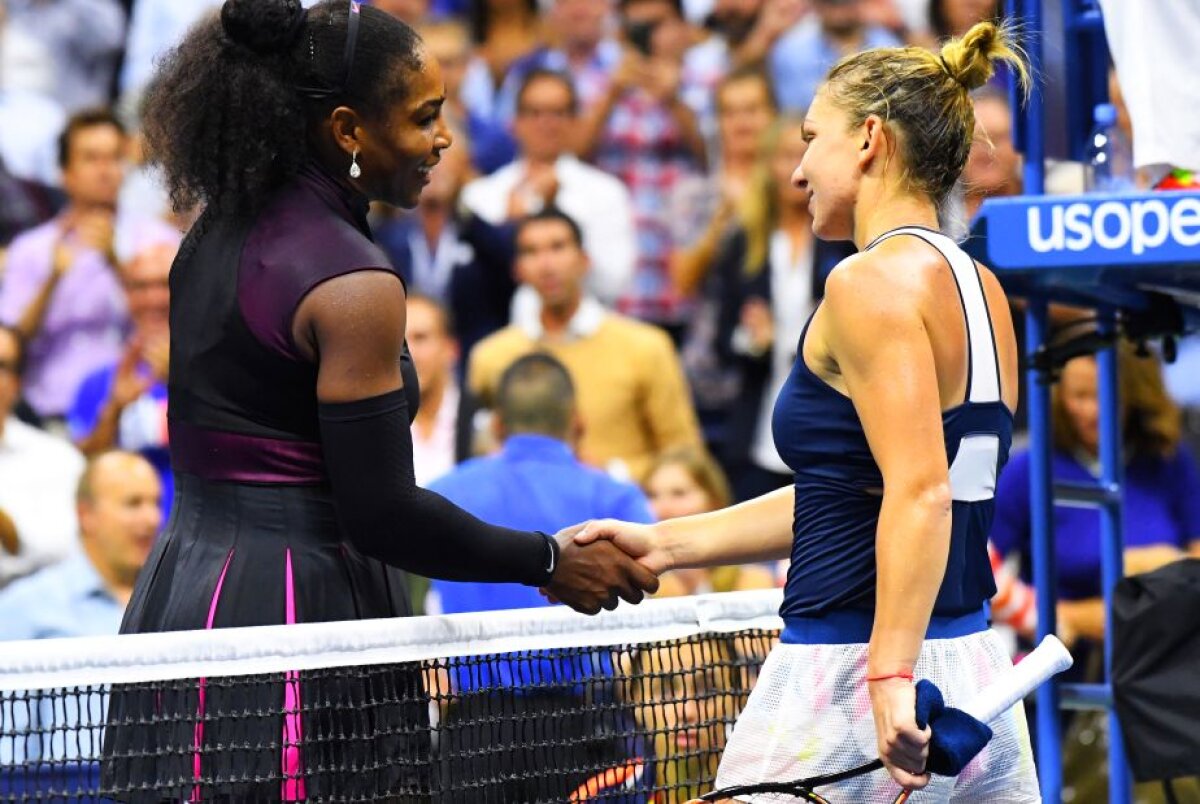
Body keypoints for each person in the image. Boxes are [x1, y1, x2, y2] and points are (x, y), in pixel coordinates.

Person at [100, 3, 657, 799]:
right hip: (307, 616)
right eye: (425, 117)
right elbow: (381, 513)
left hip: (183, 596)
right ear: (348, 129)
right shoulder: (353, 283)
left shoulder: (209, 234)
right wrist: (547, 561)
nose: (444, 139)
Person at [576, 21, 1041, 800]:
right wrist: (666, 543)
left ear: (867, 139)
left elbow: (919, 492)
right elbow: (859, 490)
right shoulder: (981, 287)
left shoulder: (866, 284)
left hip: (857, 670)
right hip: (969, 667)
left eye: (808, 138)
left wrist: (889, 673)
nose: (796, 171)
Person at [469, 208, 703, 482]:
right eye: (531, 252)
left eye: (558, 247)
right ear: (517, 270)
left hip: (622, 515)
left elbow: (685, 455)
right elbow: (481, 452)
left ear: (584, 260)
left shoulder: (645, 347)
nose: (546, 264)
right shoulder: (492, 356)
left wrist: (609, 474)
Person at [991, 348, 1200, 648]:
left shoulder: (1168, 459)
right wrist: (1052, 617)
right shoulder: (1030, 469)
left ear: (1135, 395)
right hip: (1061, 669)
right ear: (1059, 396)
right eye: (1080, 396)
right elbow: (976, 568)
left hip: (1159, 664)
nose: (1092, 411)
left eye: (1107, 396)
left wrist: (1161, 564)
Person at [431, 352, 654, 615]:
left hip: (462, 655)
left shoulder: (440, 493)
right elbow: (657, 591)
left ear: (497, 425)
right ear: (578, 422)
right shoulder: (617, 498)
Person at [0, 108, 178, 423]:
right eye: (91, 159)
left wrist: (115, 262)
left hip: (138, 412)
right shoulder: (32, 249)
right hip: (51, 417)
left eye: (114, 158)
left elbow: (172, 321)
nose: (105, 170)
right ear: (64, 172)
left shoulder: (159, 241)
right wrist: (52, 279)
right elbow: (11, 343)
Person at [712, 116, 856, 502]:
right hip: (759, 425)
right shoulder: (743, 242)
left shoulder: (844, 240)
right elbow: (722, 343)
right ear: (767, 166)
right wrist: (752, 339)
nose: (796, 167)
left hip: (830, 423)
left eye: (805, 153)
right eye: (784, 156)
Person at [460, 68, 637, 309]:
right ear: (515, 122)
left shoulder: (606, 193)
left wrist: (555, 210)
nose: (546, 123)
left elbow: (614, 282)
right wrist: (509, 229)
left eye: (558, 113)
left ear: (575, 121)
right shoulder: (481, 195)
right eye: (534, 112)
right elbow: (471, 286)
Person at [67, 238, 179, 518]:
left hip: (207, 539)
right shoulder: (98, 382)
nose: (153, 298)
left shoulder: (225, 366)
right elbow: (84, 468)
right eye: (140, 287)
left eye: (164, 285)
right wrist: (114, 410)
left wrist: (187, 379)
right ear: (126, 295)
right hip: (131, 544)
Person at [0, 450, 161, 641]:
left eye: (156, 503)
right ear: (86, 515)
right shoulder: (26, 605)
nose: (153, 519)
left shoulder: (171, 596)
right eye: (133, 503)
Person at [570, 637, 750, 803]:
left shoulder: (763, 796)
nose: (686, 711)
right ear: (635, 699)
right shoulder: (596, 797)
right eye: (665, 688)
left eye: (708, 689)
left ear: (736, 698)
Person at [0, 324, 85, 589]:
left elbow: (63, 551)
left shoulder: (56, 459)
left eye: (1, 366)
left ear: (17, 382)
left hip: (30, 614)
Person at [643, 446, 775, 597]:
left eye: (679, 493)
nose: (662, 508)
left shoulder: (752, 578)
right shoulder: (650, 581)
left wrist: (698, 587)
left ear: (713, 499)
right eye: (652, 495)